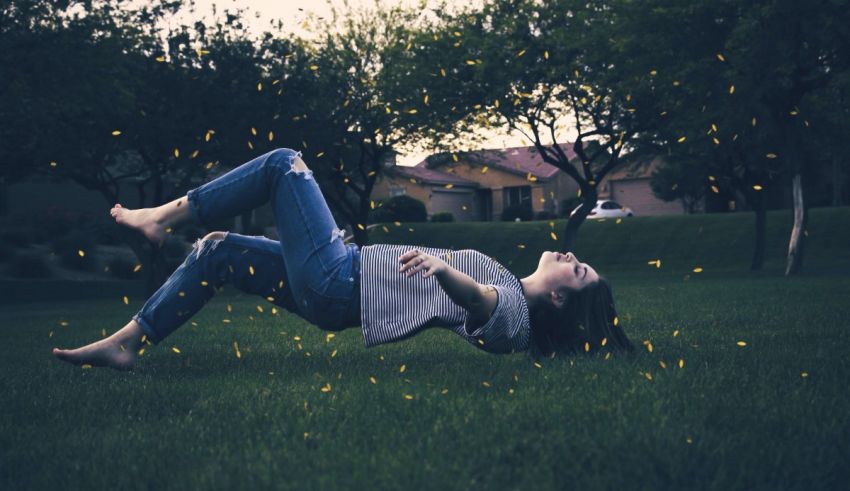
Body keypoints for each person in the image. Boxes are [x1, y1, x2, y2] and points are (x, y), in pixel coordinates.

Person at [52, 148, 634, 371]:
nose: (573, 256)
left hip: (339, 280)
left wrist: (444, 272)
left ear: (559, 296)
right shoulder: (512, 283)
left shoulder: (515, 316)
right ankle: (129, 340)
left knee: (285, 165)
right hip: (338, 278)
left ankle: (161, 217)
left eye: (578, 270)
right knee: (217, 251)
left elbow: (483, 303)